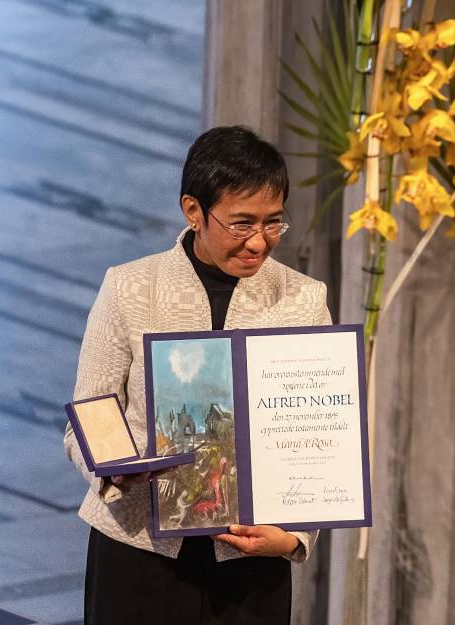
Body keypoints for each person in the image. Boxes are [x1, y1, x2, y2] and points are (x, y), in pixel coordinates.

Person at [64, 126, 329, 624]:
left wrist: (294, 535)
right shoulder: (129, 287)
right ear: (193, 211)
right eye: (241, 223)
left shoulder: (303, 300)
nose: (258, 242)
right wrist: (113, 470)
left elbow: (315, 439)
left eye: (274, 223)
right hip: (138, 547)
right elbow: (89, 412)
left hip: (251, 554)